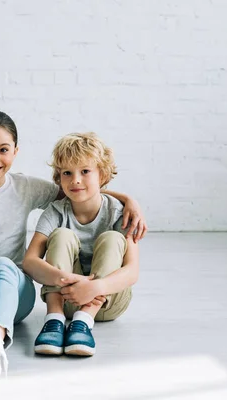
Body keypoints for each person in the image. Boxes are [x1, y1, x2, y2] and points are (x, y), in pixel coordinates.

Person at [0, 112, 146, 378]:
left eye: (3, 150)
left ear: (15, 152)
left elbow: (81, 191)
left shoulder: (25, 187)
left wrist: (127, 199)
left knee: (5, 265)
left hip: (21, 292)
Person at [23, 132, 141, 357]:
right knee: (62, 235)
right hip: (66, 298)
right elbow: (29, 261)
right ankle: (54, 320)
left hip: (109, 302)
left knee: (113, 238)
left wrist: (97, 287)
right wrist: (67, 279)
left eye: (85, 171)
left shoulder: (118, 212)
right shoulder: (56, 212)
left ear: (102, 174)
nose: (75, 179)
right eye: (67, 173)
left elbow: (132, 271)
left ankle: (84, 322)